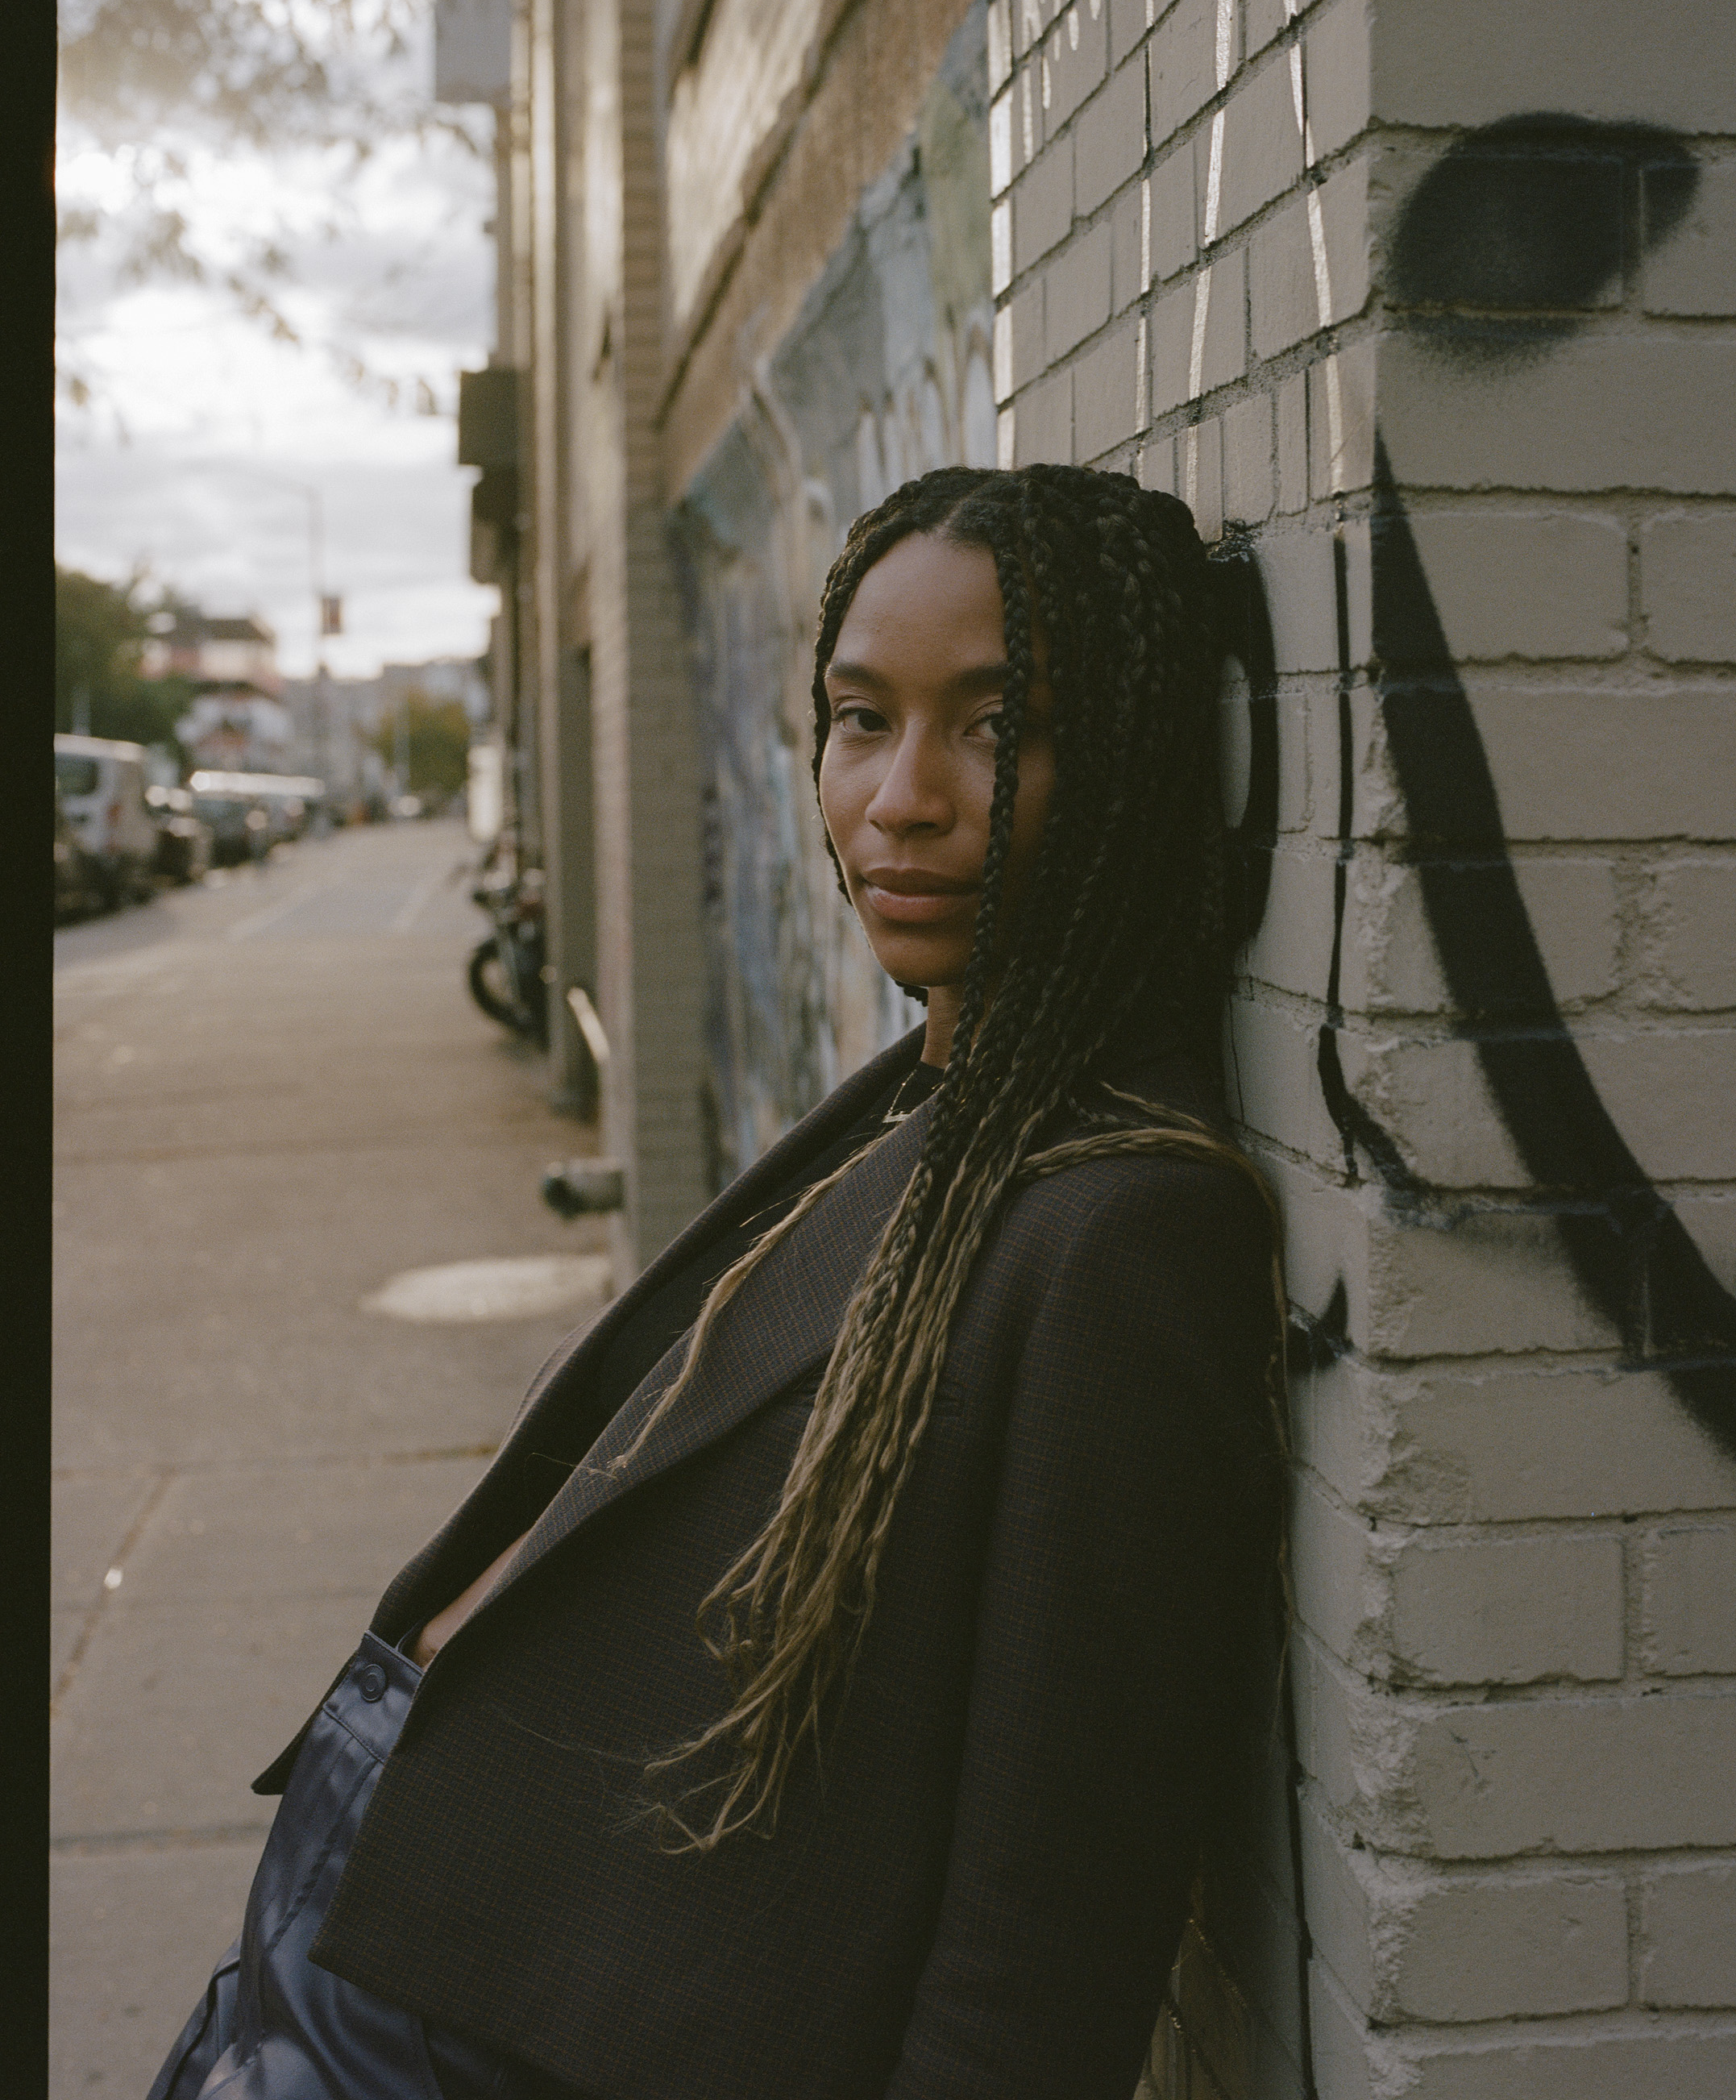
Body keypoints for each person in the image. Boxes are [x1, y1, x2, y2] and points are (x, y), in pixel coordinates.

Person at [150, 464, 1287, 2100]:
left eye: (994, 727)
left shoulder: (1125, 1229)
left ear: (1129, 764)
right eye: (860, 720)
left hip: (498, 2045)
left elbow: (1044, 1937)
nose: (902, 797)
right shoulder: (934, 1098)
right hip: (364, 1946)